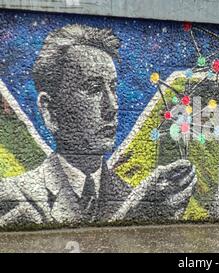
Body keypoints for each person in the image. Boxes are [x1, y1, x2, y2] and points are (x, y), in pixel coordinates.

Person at [0, 24, 197, 227]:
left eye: (112, 88)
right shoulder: (14, 198)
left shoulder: (129, 194)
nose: (112, 106)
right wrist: (132, 217)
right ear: (49, 111)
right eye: (93, 89)